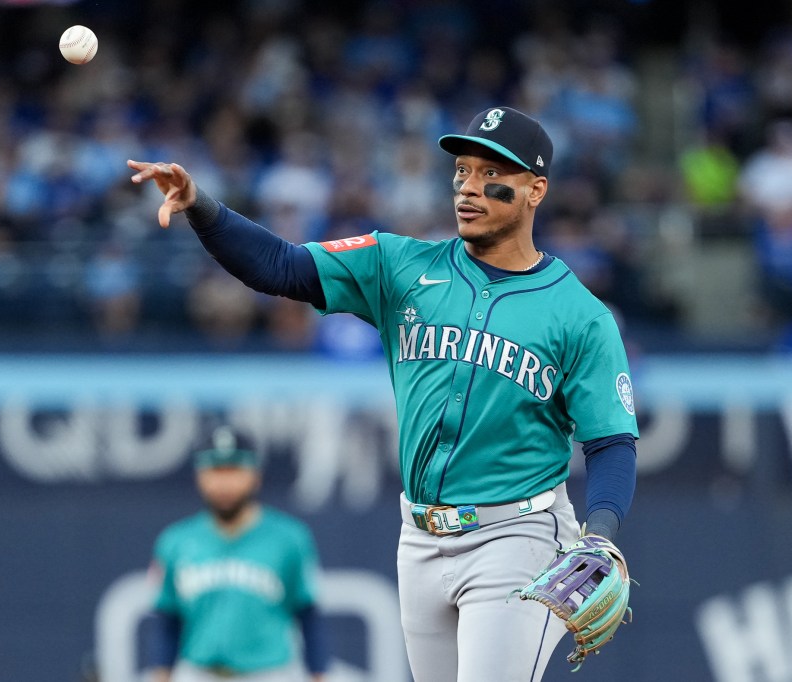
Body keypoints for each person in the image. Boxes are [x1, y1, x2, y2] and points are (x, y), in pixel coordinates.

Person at [128, 105, 639, 681]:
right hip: (419, 536)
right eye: (462, 172)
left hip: (516, 534)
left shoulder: (579, 315)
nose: (470, 188)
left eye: (491, 175)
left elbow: (612, 441)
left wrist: (600, 536)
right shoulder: (401, 264)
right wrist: (201, 205)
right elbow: (279, 266)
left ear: (535, 190)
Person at [138, 426, 329, 682]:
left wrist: (319, 676)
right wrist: (161, 676)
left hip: (268, 673)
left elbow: (309, 616)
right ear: (199, 476)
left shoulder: (289, 539)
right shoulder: (175, 542)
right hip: (198, 672)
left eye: (235, 470)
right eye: (215, 470)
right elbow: (168, 622)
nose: (224, 482)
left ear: (255, 475)